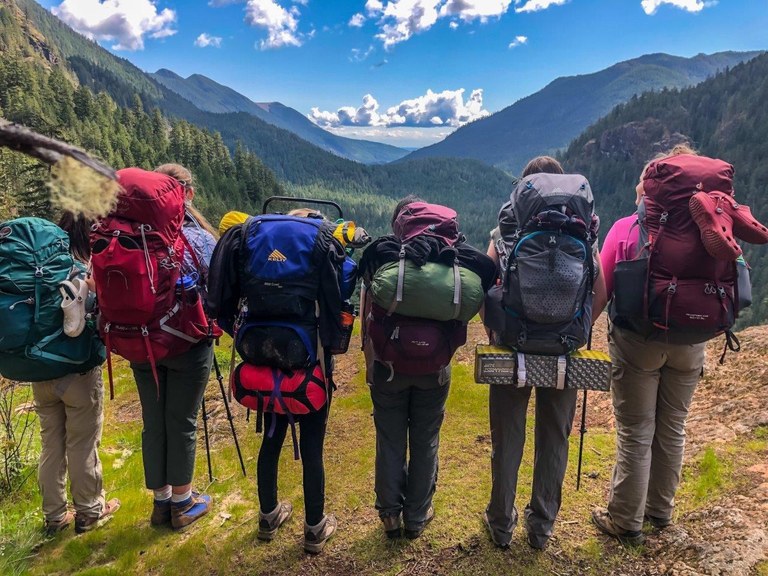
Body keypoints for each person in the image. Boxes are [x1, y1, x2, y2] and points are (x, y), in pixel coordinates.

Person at [208, 206, 349, 554]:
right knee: (313, 445)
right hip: (309, 358)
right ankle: (315, 528)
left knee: (272, 438)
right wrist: (334, 345)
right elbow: (335, 302)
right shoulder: (320, 244)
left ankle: (268, 515)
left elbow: (225, 300)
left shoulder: (252, 241)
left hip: (264, 354)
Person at [482, 156, 606, 550]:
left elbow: (487, 284)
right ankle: (541, 528)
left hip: (515, 344)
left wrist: (496, 328)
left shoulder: (506, 228)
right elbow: (599, 287)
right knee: (555, 436)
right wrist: (579, 329)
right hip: (565, 347)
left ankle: (501, 523)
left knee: (508, 437)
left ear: (524, 190)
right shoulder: (584, 233)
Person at [590, 145, 712, 546]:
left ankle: (626, 520)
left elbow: (602, 289)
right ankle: (660, 510)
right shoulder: (709, 225)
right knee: (673, 426)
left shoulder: (627, 228)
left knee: (636, 431)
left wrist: (579, 333)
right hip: (691, 338)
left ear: (647, 188)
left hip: (638, 342)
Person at [360, 196, 477, 540]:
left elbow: (368, 318)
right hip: (434, 371)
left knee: (390, 440)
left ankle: (389, 516)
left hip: (388, 369)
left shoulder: (385, 261)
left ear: (399, 225)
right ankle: (417, 515)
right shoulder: (449, 262)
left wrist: (371, 365)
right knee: (426, 440)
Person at [128, 164, 218, 531]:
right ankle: (183, 504)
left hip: (141, 343)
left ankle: (160, 504)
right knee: (181, 422)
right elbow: (217, 285)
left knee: (154, 422)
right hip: (187, 343)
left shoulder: (131, 236)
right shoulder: (198, 238)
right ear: (188, 193)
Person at [34, 213, 120, 535]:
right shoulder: (84, 266)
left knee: (51, 442)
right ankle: (89, 510)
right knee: (83, 441)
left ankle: (54, 517)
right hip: (77, 371)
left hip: (40, 371)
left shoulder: (42, 266)